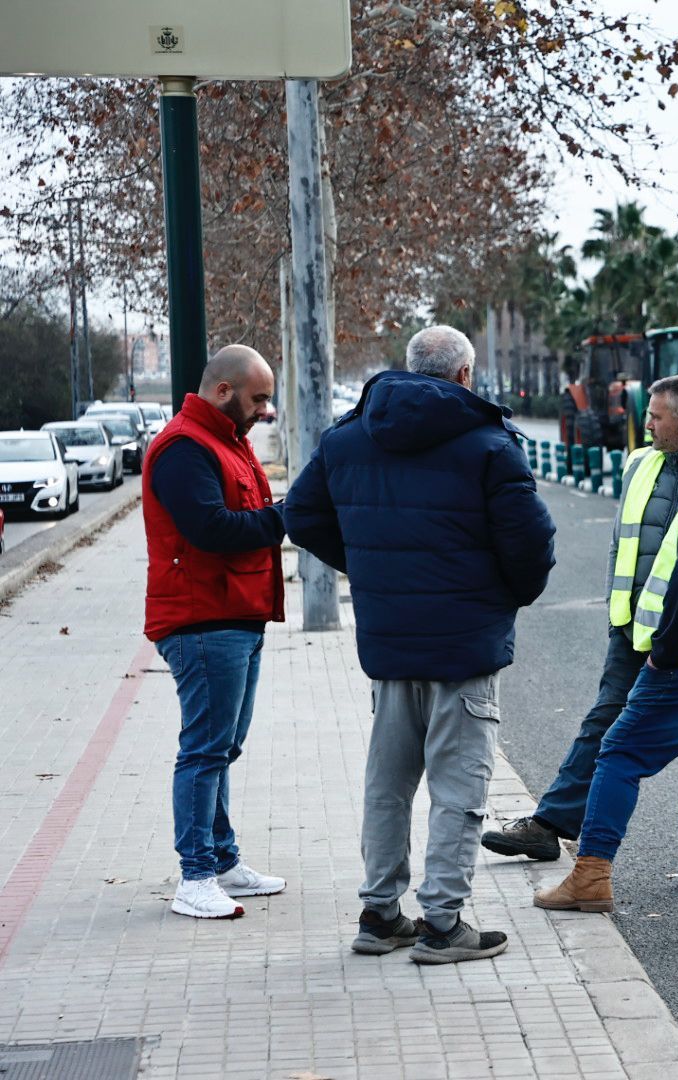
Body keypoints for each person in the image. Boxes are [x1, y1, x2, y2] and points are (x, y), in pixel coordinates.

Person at [284, 326, 556, 964]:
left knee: (388, 781)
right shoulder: (490, 445)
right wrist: (502, 594)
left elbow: (300, 514)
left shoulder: (349, 437)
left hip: (389, 642)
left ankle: (380, 914)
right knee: (460, 788)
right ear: (464, 376)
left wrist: (370, 567)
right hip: (466, 646)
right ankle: (442, 923)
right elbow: (529, 547)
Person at [485, 375, 678, 896]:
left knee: (633, 754)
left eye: (667, 418)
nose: (651, 425)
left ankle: (664, 866)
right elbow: (624, 545)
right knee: (615, 730)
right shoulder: (641, 465)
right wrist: (623, 615)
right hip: (641, 631)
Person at [144, 345, 287, 920]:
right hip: (203, 621)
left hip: (235, 616)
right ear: (223, 391)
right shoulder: (184, 448)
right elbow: (211, 530)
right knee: (204, 751)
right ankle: (195, 876)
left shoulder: (227, 442)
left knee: (222, 748)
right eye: (258, 399)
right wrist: (287, 515)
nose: (264, 411)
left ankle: (223, 861)